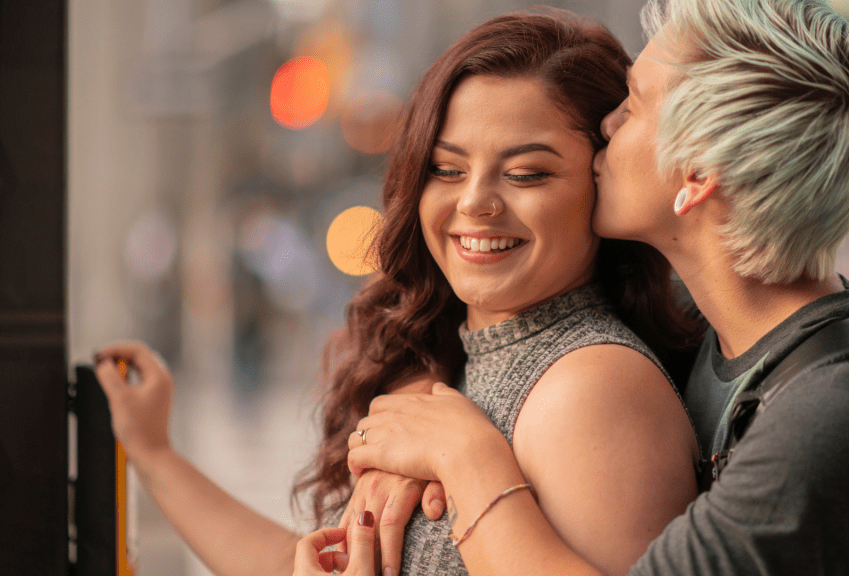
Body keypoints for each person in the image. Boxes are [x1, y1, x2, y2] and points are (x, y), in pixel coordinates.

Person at [336, 0, 849, 575]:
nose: (608, 127)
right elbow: (509, 339)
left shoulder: (844, 413)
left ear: (698, 172)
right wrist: (416, 405)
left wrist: (466, 458)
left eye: (634, 104)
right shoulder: (721, 332)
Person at [95, 9, 704, 576]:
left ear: (603, 178)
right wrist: (153, 452)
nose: (475, 203)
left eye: (527, 174)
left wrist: (468, 459)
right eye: (446, 169)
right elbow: (298, 566)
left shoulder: (590, 386)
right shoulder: (462, 366)